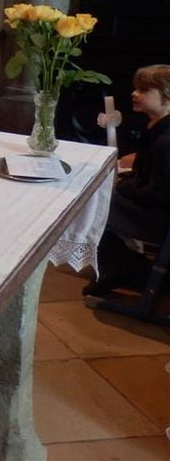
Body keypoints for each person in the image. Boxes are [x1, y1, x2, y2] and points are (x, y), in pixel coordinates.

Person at [85, 65, 170, 294]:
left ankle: (126, 268)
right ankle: (119, 265)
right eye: (136, 88)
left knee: (90, 202)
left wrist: (123, 187)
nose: (134, 94)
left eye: (144, 90)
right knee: (95, 196)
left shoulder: (165, 141)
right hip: (151, 208)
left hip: (157, 220)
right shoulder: (157, 129)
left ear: (167, 97)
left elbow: (158, 193)